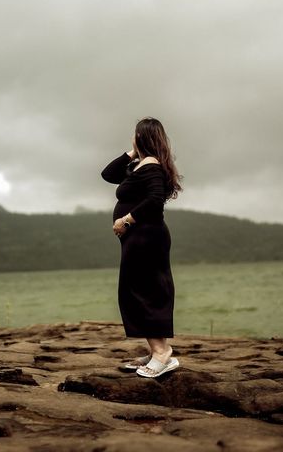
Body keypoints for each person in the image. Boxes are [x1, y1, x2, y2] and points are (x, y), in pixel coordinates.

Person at [101, 117, 183, 378]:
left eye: (135, 135)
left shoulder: (151, 167)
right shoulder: (140, 164)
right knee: (139, 291)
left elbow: (155, 201)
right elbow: (108, 174)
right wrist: (133, 152)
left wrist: (126, 220)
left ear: (142, 137)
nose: (132, 138)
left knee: (146, 292)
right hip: (140, 240)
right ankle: (158, 350)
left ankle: (163, 355)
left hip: (147, 238)